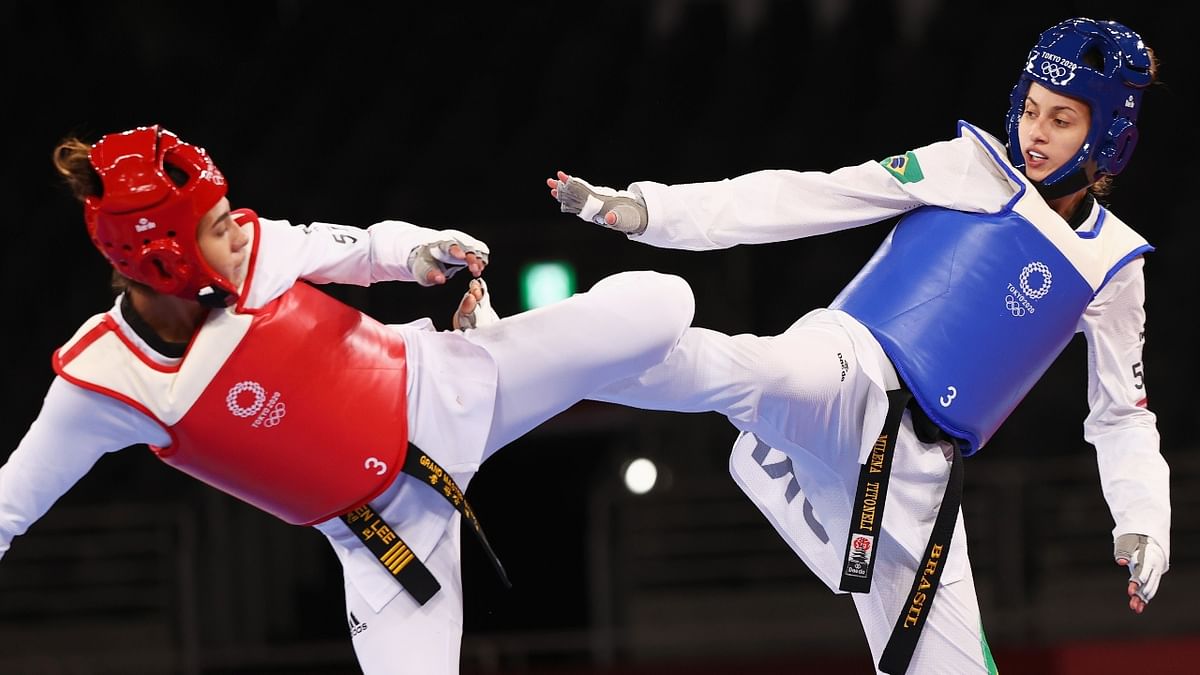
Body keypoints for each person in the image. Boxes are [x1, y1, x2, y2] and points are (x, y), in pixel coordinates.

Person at [549, 17, 1169, 675]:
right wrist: (654, 211)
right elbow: (808, 196)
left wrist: (1141, 519)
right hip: (851, 365)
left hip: (920, 474)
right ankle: (544, 347)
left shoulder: (1113, 264)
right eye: (1033, 109)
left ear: (1107, 137)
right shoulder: (969, 166)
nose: (1035, 133)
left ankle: (781, 460)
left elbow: (1122, 413)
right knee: (746, 371)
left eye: (1062, 120)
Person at [0, 125, 695, 674]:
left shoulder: (256, 250)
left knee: (668, 303)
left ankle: (498, 338)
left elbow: (365, 249)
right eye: (215, 225)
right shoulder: (102, 382)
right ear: (161, 256)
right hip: (384, 537)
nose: (240, 227)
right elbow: (9, 507)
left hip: (447, 384)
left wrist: (421, 253)